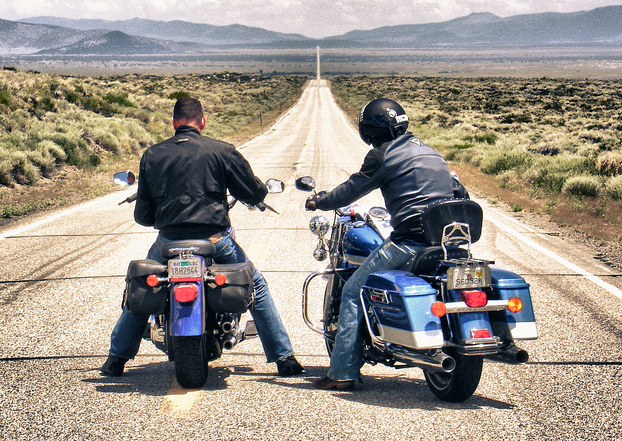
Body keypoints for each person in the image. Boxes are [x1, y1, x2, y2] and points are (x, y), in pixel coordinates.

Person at [101, 97, 303, 378]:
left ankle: (116, 359)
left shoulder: (152, 155)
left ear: (174, 122)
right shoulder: (222, 151)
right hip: (215, 240)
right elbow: (255, 192)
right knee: (255, 283)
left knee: (143, 286)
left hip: (168, 242)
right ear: (203, 121)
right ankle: (284, 358)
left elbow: (143, 216)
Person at [305, 98, 461, 390]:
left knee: (353, 292)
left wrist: (320, 201)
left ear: (370, 130)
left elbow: (352, 189)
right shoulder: (431, 152)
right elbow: (457, 190)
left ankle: (341, 374)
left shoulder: (383, 155)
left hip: (411, 241)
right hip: (448, 243)